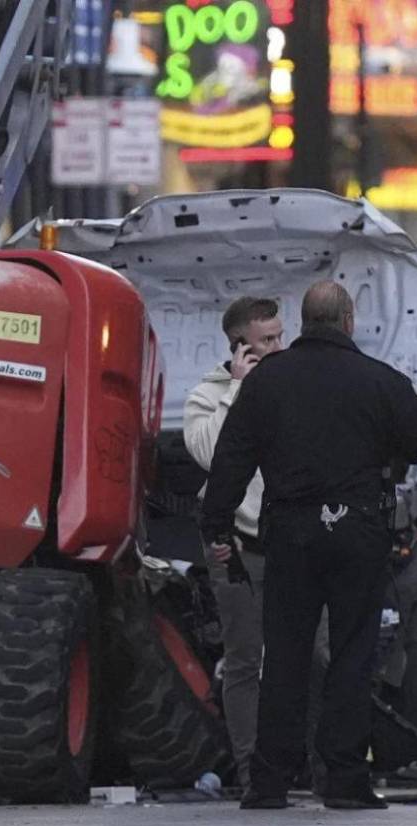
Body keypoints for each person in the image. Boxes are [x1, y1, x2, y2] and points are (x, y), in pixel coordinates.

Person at [202, 280, 417, 810]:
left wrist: (216, 528)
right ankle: (344, 779)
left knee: (284, 657)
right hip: (358, 533)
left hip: (290, 535)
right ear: (349, 320)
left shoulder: (267, 383)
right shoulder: (378, 380)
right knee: (352, 654)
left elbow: (231, 460)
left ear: (304, 320)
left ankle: (269, 781)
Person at [182, 296, 284, 790]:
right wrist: (238, 391)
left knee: (313, 654)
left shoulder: (292, 385)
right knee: (245, 659)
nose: (279, 347)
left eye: (280, 336)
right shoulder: (209, 393)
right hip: (236, 547)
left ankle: (299, 762)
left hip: (288, 545)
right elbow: (208, 454)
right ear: (240, 346)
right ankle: (249, 770)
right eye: (268, 340)